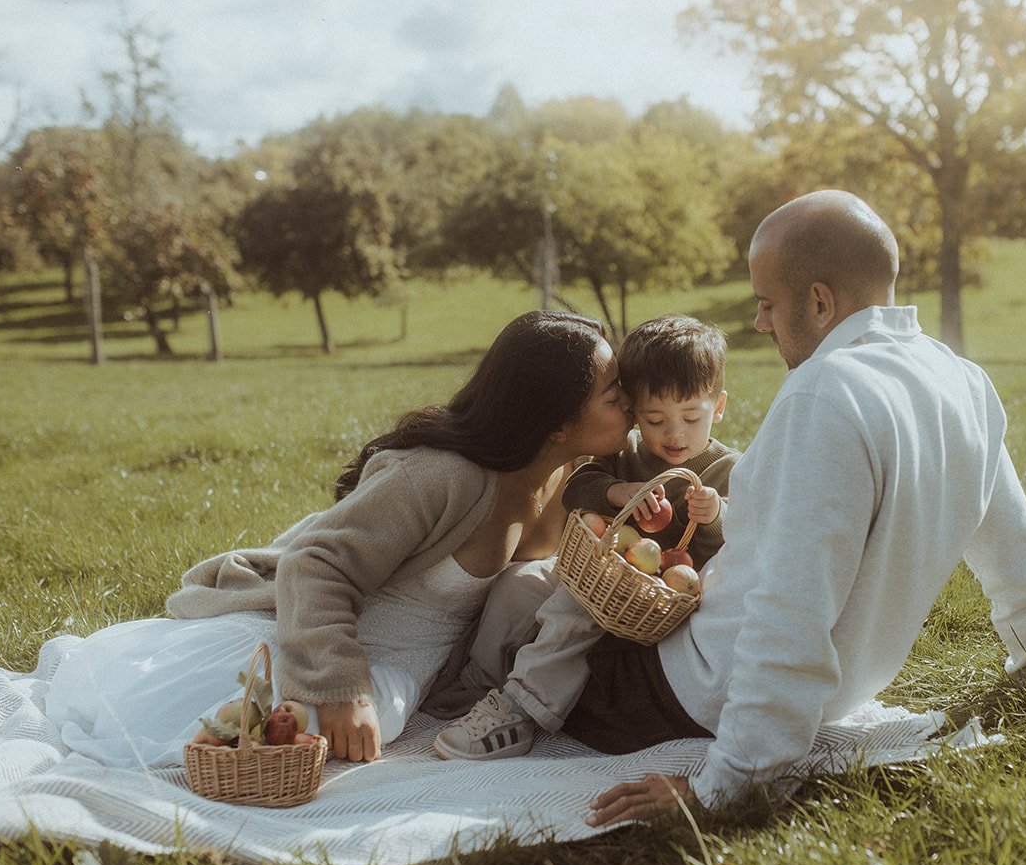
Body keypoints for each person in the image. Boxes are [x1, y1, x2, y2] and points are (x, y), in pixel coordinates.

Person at [572, 189, 1026, 825]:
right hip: (840, 691)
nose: (760, 323)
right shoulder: (962, 381)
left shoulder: (823, 395)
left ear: (818, 300)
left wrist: (727, 784)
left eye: (767, 304)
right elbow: (1016, 552)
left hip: (695, 690)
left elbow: (791, 607)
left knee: (530, 630)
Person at [41, 311, 634, 766]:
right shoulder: (442, 475)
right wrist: (340, 689)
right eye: (613, 395)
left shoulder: (576, 480)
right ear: (557, 420)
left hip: (406, 673)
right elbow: (316, 564)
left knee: (328, 739)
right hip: (323, 638)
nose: (629, 403)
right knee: (223, 734)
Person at [433, 314, 741, 760]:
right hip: (592, 571)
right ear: (634, 411)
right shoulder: (625, 454)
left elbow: (740, 536)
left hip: (650, 600)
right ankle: (479, 682)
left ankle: (523, 708)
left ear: (719, 406)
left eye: (691, 417)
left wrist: (714, 514)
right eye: (655, 419)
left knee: (575, 608)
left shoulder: (724, 469)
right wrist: (616, 491)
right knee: (520, 584)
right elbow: (578, 489)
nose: (674, 434)